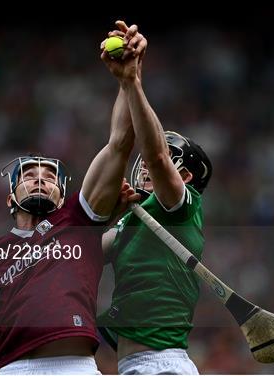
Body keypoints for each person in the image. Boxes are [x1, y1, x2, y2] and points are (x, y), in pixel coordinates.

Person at [0, 32, 146, 373]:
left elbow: (119, 143)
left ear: (61, 194)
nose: (41, 177)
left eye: (50, 175)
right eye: (28, 175)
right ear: (11, 197)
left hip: (80, 367)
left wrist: (128, 80)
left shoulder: (78, 220)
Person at [97, 21, 213, 374]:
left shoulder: (181, 206)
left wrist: (133, 82)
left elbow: (156, 157)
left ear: (187, 176)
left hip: (161, 366)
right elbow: (80, 254)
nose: (145, 165)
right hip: (136, 366)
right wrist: (126, 81)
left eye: (168, 154)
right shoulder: (132, 219)